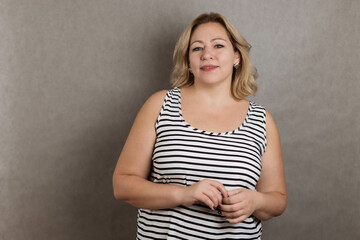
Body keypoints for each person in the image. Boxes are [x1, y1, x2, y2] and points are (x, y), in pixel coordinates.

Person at [113, 12, 287, 239]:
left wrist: (256, 201)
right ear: (188, 61)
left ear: (236, 57)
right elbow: (123, 185)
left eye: (218, 45)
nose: (207, 55)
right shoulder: (160, 105)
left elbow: (278, 199)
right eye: (197, 48)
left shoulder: (261, 120)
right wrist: (184, 194)